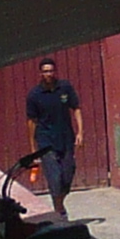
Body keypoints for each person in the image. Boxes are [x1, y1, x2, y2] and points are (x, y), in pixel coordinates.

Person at [24, 57, 83, 220]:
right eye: (45, 71)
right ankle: (59, 211)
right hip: (45, 141)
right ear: (40, 73)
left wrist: (80, 132)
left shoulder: (65, 88)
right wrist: (33, 148)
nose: (48, 74)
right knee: (55, 178)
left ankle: (59, 203)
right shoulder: (34, 95)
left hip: (66, 138)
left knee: (67, 174)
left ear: (55, 71)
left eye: (50, 71)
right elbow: (31, 122)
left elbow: (76, 108)